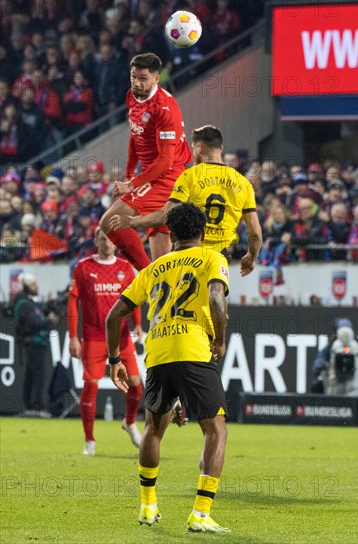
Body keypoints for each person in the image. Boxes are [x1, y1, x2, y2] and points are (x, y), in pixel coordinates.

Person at [106, 202, 231, 532]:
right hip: (192, 349)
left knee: (153, 429)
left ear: (170, 233)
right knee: (215, 430)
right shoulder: (212, 258)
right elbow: (216, 299)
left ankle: (148, 506)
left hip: (158, 351)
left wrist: (115, 359)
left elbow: (113, 315)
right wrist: (219, 338)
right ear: (203, 233)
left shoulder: (153, 269)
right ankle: (201, 513)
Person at [110, 125, 262, 277]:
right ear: (221, 148)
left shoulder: (190, 176)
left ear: (200, 148)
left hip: (188, 254)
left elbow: (165, 215)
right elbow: (255, 233)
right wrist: (251, 257)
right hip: (219, 258)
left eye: (193, 148)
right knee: (212, 293)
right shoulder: (244, 184)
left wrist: (131, 221)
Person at [99, 52, 191, 267]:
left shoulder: (164, 109)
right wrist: (129, 174)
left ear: (156, 78)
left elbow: (166, 161)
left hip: (168, 177)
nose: (136, 83)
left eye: (143, 78)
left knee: (109, 223)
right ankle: (158, 284)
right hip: (151, 174)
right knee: (162, 262)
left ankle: (148, 278)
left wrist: (132, 184)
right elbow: (136, 134)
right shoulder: (132, 96)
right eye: (133, 77)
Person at [67, 228, 144, 455]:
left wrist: (137, 324)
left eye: (111, 239)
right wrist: (73, 336)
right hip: (93, 337)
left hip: (120, 338)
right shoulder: (83, 267)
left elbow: (135, 299)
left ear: (116, 243)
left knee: (135, 384)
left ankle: (129, 422)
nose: (107, 242)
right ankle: (89, 440)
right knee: (91, 386)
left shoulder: (124, 268)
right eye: (103, 238)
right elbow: (73, 302)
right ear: (96, 240)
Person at [13, 273, 59, 416]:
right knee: (36, 375)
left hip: (36, 343)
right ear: (27, 286)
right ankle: (35, 407)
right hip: (33, 343)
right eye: (33, 284)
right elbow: (32, 323)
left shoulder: (29, 303)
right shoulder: (23, 304)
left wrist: (50, 306)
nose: (37, 287)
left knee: (32, 374)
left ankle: (32, 406)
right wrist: (48, 320)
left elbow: (41, 314)